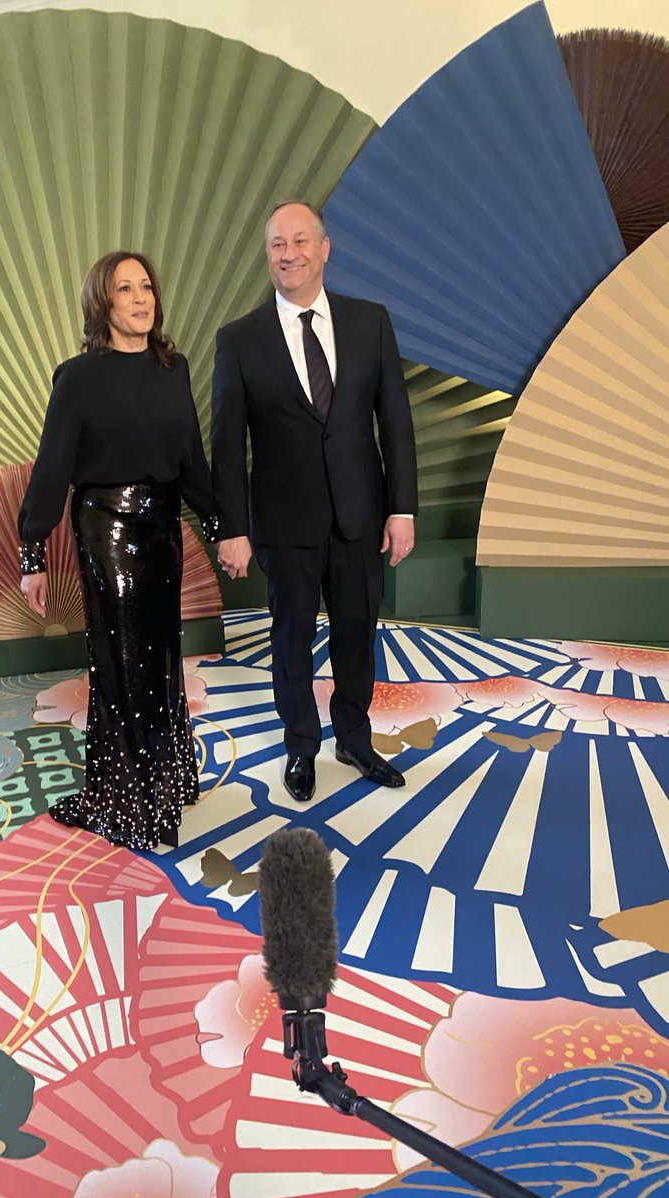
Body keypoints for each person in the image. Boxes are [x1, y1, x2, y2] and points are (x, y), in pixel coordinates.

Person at [211, 200, 417, 803]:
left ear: (324, 249)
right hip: (283, 523)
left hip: (361, 517)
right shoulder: (239, 340)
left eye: (301, 241)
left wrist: (401, 508)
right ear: (267, 255)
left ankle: (354, 738)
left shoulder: (370, 321)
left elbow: (395, 421)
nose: (289, 253)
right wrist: (231, 527)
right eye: (277, 244)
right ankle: (300, 746)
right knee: (290, 640)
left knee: (358, 633)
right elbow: (227, 444)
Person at [18, 251, 219, 849]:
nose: (140, 298)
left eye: (147, 286)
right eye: (125, 288)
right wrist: (33, 552)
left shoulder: (174, 367)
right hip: (106, 529)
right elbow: (53, 467)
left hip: (163, 529)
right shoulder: (77, 377)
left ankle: (162, 778)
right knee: (125, 662)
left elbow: (191, 458)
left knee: (160, 658)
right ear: (101, 303)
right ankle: (132, 801)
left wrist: (217, 525)